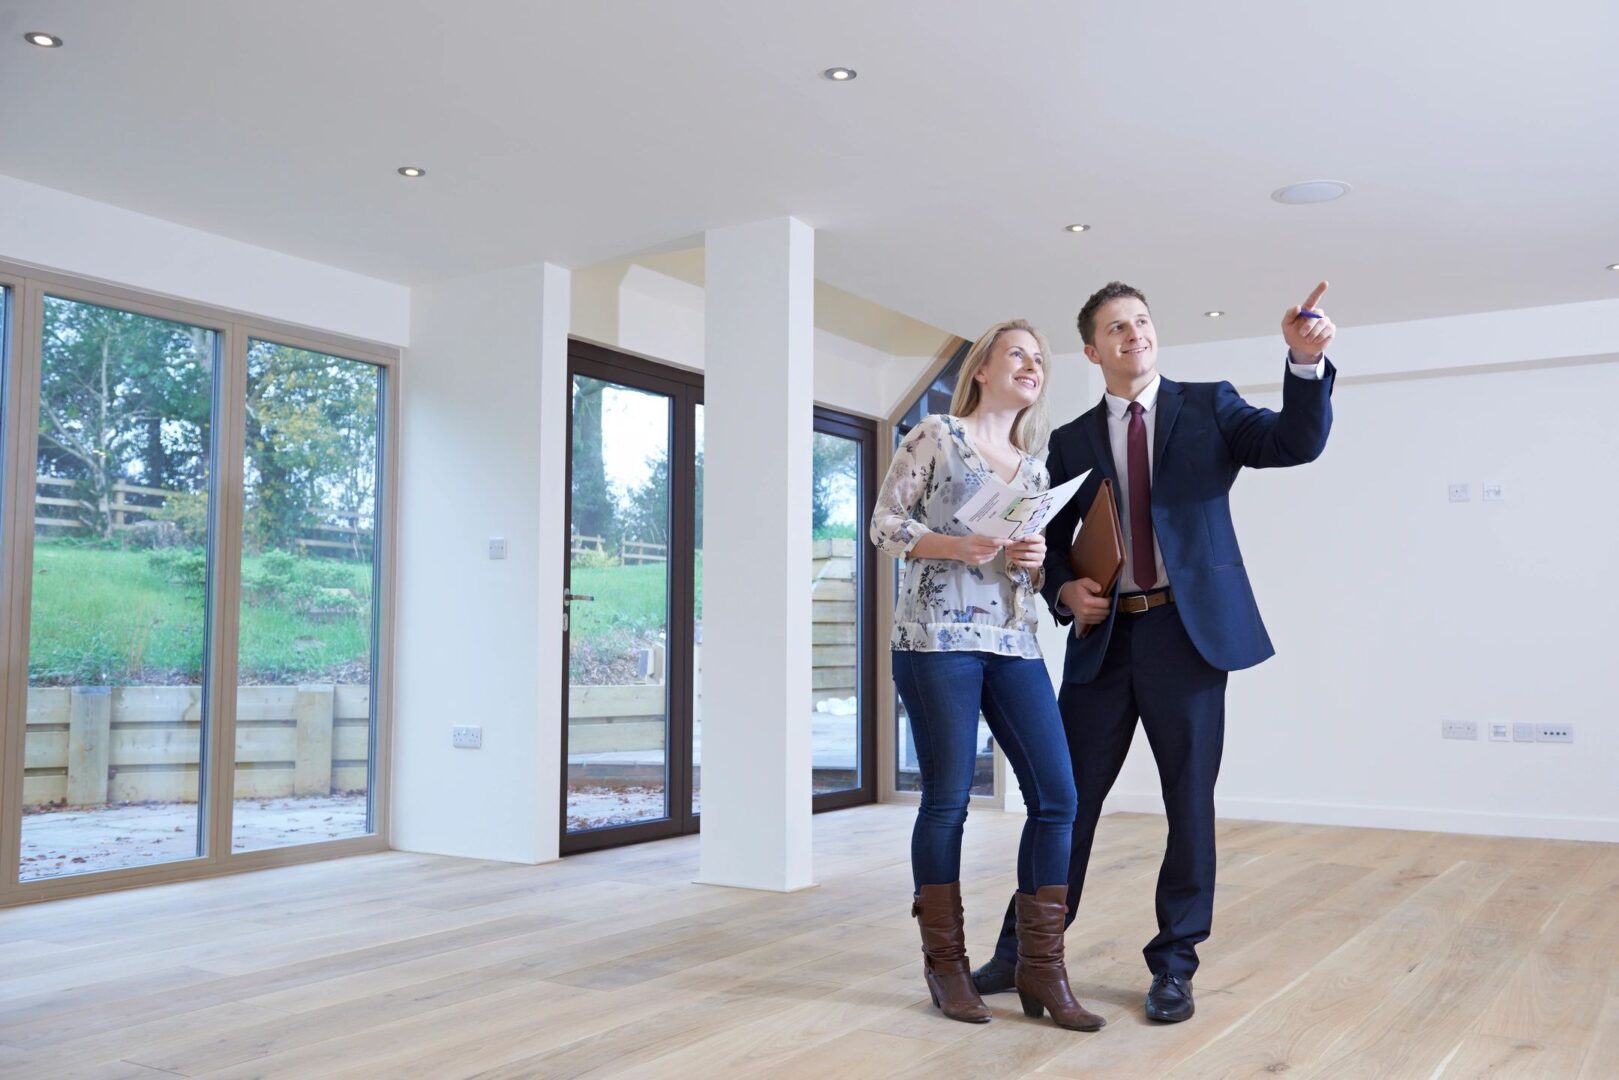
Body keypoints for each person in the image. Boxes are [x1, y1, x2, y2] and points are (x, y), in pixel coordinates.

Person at [973, 282, 1337, 1024]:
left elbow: (1294, 444)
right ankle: (1024, 953)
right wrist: (1065, 592)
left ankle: (1173, 965)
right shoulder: (1070, 441)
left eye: (1140, 322)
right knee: (1061, 805)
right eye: (1115, 327)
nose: (1132, 334)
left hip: (1187, 636)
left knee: (1186, 806)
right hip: (1105, 644)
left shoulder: (1210, 407)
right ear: (1091, 349)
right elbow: (1043, 546)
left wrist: (1303, 364)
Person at [871, 319, 1104, 1031]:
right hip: (935, 639)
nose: (1032, 366)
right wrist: (955, 543)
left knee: (1058, 799)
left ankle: (1041, 966)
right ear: (982, 369)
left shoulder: (1034, 468)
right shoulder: (936, 434)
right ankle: (946, 968)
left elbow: (1018, 572)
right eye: (1018, 355)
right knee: (946, 801)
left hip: (1012, 641)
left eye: (1039, 359)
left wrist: (1031, 561)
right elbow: (884, 525)